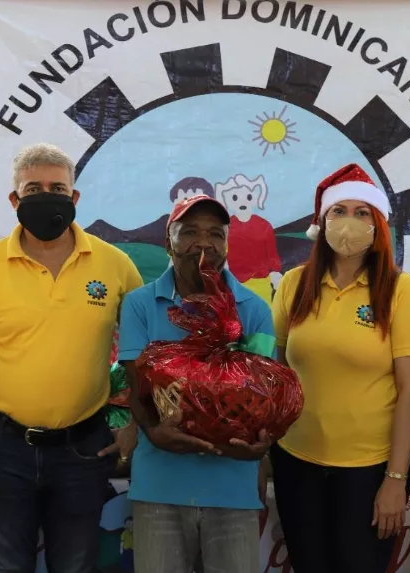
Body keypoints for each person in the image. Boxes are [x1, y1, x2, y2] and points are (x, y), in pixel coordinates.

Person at [0, 143, 143, 573]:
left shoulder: (115, 265)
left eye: (57, 187)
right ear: (14, 200)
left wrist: (135, 427)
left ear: (74, 198)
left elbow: (145, 357)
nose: (46, 195)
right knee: (2, 567)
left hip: (83, 449)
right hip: (2, 449)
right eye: (33, 188)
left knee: (76, 566)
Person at [271, 164, 410, 573]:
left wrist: (395, 480)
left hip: (369, 470)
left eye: (363, 213)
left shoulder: (400, 290)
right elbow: (276, 371)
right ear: (321, 223)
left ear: (378, 226)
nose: (350, 222)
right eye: (339, 211)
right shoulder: (293, 284)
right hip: (296, 461)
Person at [118, 194, 275, 573]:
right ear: (166, 242)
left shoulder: (253, 309)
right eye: (189, 232)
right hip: (160, 485)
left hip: (232, 488)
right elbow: (137, 384)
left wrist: (259, 447)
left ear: (226, 245)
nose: (203, 244)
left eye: (215, 235)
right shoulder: (140, 304)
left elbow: (262, 391)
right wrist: (155, 433)